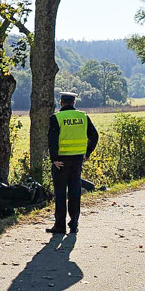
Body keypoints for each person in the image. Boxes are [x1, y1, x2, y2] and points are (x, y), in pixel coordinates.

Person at [47, 92, 99, 234]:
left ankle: (60, 226)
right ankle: (74, 223)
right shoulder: (83, 117)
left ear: (61, 102)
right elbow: (94, 136)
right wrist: (87, 153)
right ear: (74, 103)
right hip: (77, 160)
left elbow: (52, 140)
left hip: (61, 162)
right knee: (75, 192)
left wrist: (54, 159)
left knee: (60, 193)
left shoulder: (56, 118)